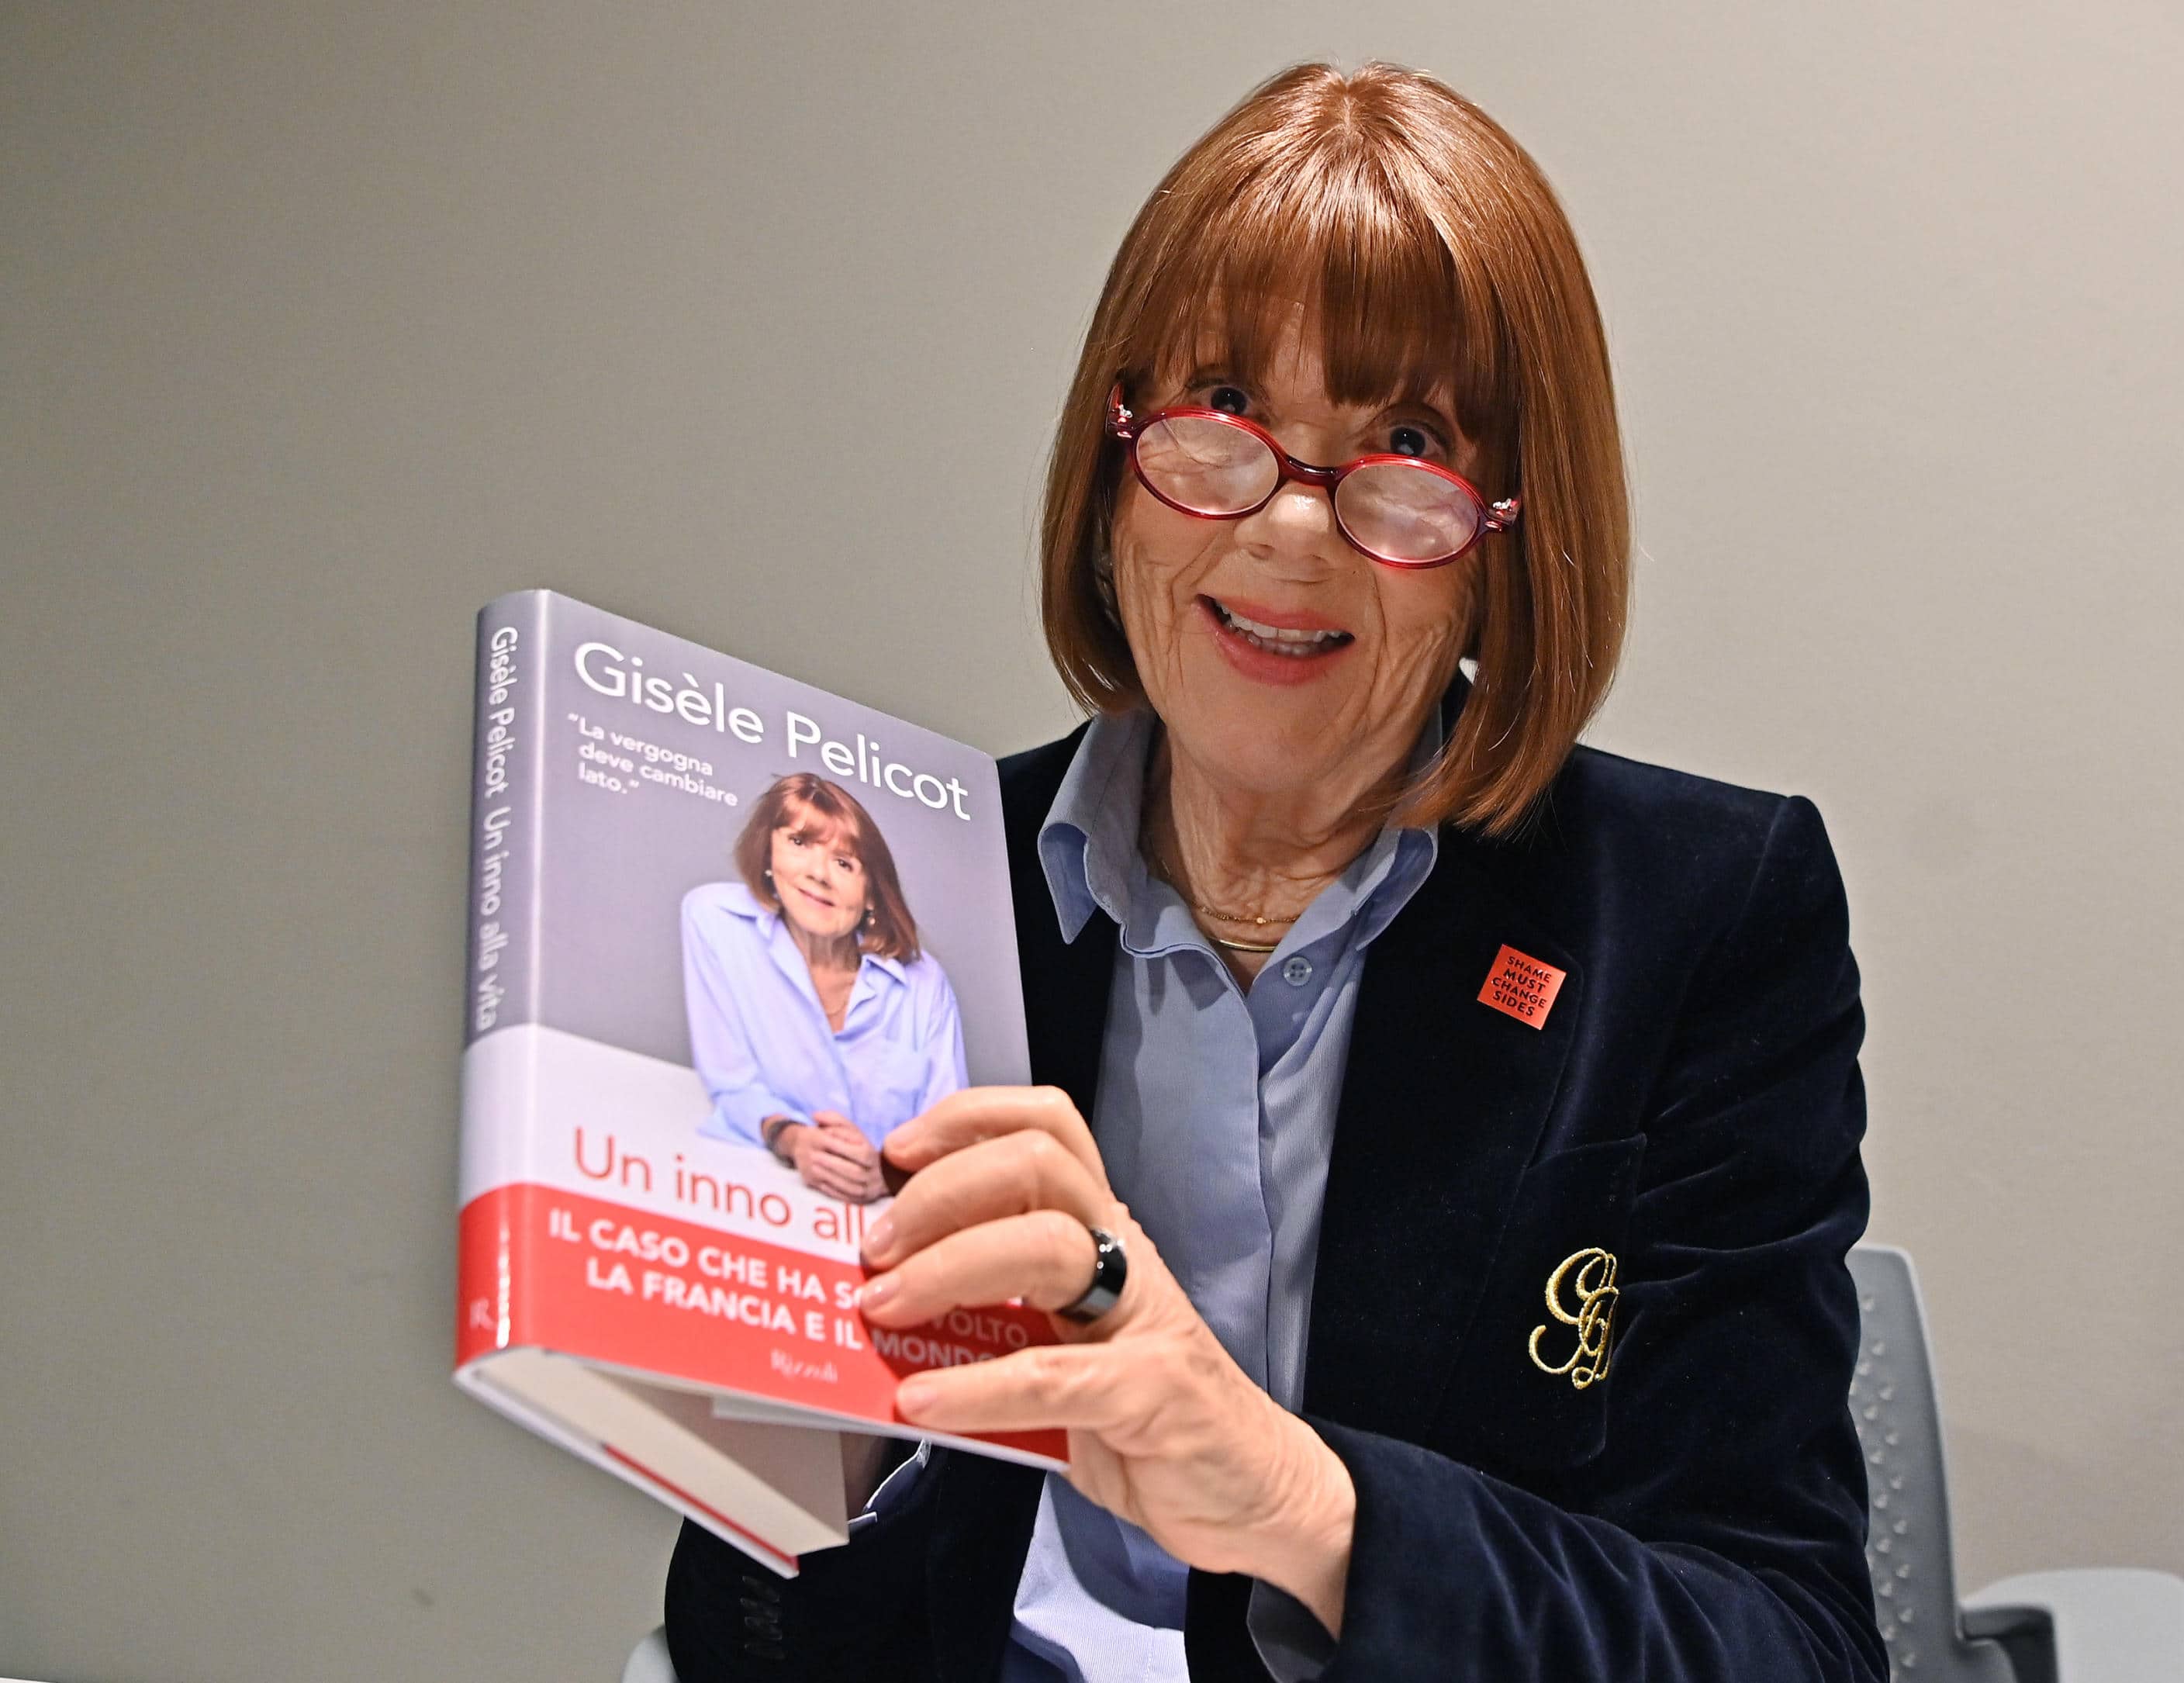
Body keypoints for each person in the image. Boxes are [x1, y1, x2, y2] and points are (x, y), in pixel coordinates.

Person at [665, 61, 1885, 1683]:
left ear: (1510, 540)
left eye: (1406, 445)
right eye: (1222, 418)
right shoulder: (923, 892)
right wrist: (788, 1432)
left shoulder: (1698, 919)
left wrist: (1298, 1497)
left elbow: (1782, 1644)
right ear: (1113, 471)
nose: (1290, 528)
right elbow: (752, 1628)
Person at [682, 772, 968, 1204]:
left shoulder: (925, 984)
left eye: (844, 863)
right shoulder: (714, 921)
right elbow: (733, 1082)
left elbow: (951, 1133)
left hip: (898, 1214)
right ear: (768, 851)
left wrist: (891, 1174)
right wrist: (794, 1140)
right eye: (800, 842)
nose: (819, 874)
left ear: (872, 894)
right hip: (764, 1194)